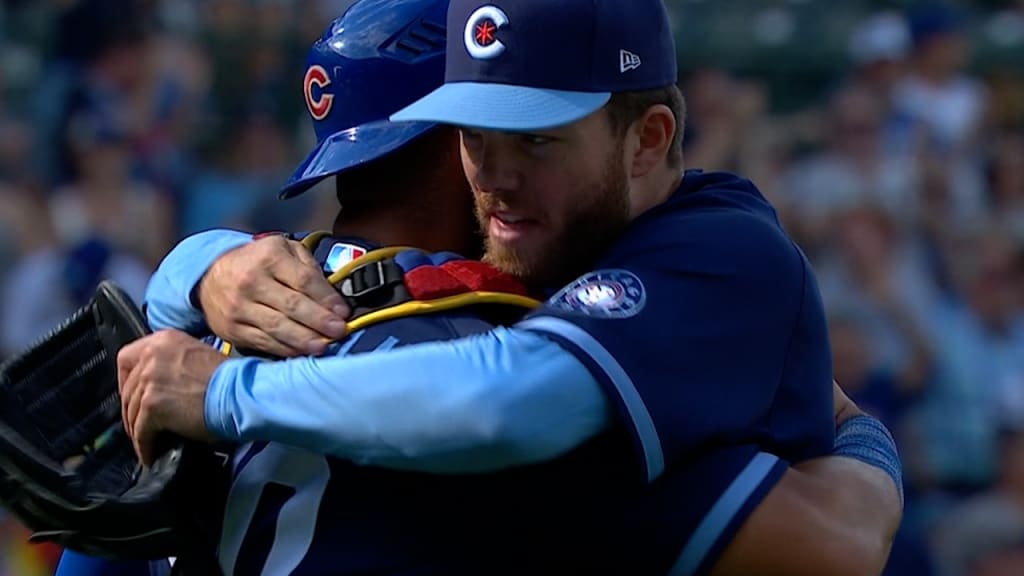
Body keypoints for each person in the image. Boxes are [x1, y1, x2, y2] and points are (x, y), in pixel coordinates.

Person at [100, 0, 897, 573]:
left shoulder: (713, 252)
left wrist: (206, 333)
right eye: (475, 139)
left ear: (648, 140)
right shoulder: (456, 356)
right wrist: (199, 268)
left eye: (538, 140)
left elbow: (505, 400)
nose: (497, 178)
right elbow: (833, 541)